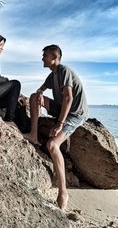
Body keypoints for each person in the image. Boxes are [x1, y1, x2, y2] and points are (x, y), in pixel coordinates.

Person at [24, 44, 88, 210]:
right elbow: (42, 88)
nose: (42, 58)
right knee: (33, 96)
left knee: (52, 145)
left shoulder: (63, 71)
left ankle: (63, 191)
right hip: (61, 109)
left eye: (45, 55)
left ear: (54, 57)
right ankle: (33, 134)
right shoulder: (52, 75)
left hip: (75, 114)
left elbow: (68, 98)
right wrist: (39, 92)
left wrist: (60, 124)